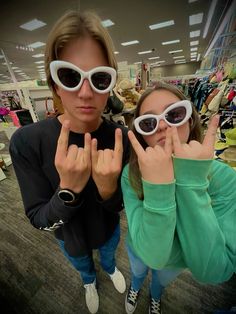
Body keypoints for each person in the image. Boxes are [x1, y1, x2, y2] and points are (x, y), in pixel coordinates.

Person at [9, 11, 130, 314]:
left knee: (108, 254)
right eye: (70, 75)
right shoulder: (27, 142)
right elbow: (39, 219)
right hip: (69, 237)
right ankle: (89, 281)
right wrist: (68, 191)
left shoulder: (122, 138)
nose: (86, 92)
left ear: (110, 84)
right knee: (82, 265)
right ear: (55, 83)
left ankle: (111, 268)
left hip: (109, 230)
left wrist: (107, 190)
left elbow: (122, 207)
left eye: (100, 77)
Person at [121, 81, 236, 314]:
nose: (162, 126)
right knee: (138, 271)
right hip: (139, 247)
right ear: (142, 135)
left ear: (190, 119)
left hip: (175, 262)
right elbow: (152, 255)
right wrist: (157, 186)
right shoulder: (131, 174)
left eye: (174, 114)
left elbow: (213, 272)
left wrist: (191, 182)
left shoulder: (223, 178)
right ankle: (134, 288)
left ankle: (155, 295)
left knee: (159, 281)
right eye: (149, 122)